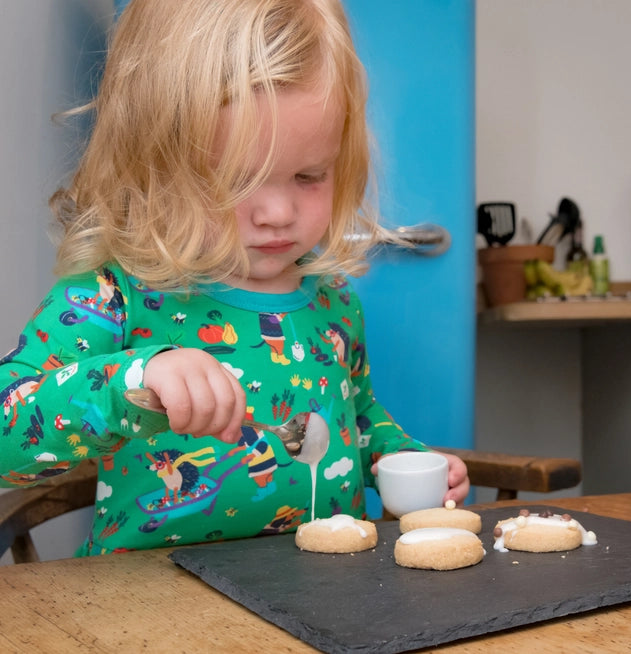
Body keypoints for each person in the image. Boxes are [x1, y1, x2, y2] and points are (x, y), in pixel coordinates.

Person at [0, 0, 469, 556]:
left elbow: (358, 417)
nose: (277, 213)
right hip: (150, 618)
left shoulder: (334, 303)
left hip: (328, 606)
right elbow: (10, 431)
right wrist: (132, 384)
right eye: (234, 181)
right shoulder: (112, 297)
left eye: (308, 175)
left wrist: (396, 457)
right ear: (155, 167)